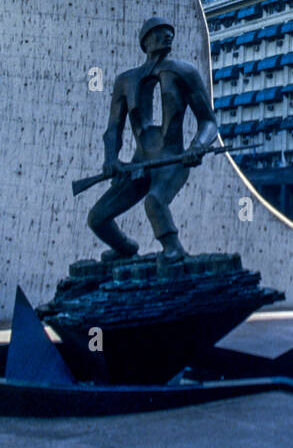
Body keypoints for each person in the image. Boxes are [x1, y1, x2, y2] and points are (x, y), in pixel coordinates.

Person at [86, 17, 219, 263]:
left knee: (155, 201)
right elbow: (113, 128)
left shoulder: (184, 72)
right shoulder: (125, 81)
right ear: (144, 41)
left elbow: (209, 122)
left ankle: (173, 249)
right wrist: (111, 159)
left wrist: (198, 147)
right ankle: (126, 248)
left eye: (170, 32)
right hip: (140, 164)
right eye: (159, 32)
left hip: (173, 161)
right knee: (97, 219)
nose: (167, 36)